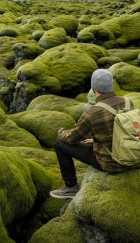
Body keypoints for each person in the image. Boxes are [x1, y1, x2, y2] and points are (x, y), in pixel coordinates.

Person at [50, 69, 134, 199]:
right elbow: (124, 130)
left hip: (111, 163)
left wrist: (60, 131)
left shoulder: (93, 112)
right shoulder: (128, 102)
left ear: (93, 87)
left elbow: (72, 139)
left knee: (60, 144)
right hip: (132, 156)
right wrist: (95, 141)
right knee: (86, 141)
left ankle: (70, 187)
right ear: (111, 85)